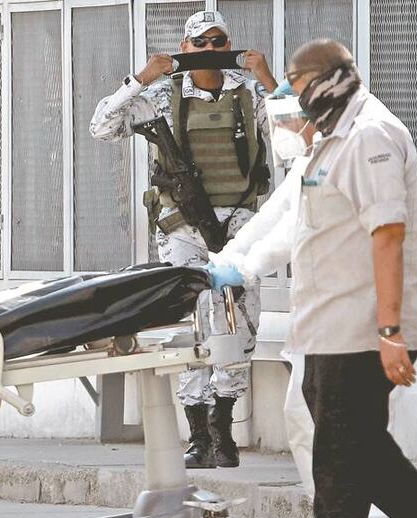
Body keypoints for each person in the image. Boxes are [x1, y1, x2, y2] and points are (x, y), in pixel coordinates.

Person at [268, 39, 417, 518]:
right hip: (328, 328)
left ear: (327, 79)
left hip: (364, 329)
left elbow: (388, 234)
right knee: (354, 450)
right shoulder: (332, 135)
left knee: (340, 453)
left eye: (297, 82)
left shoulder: (370, 135)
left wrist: (390, 330)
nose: (292, 97)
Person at [212, 81, 417, 518]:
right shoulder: (323, 145)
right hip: (327, 316)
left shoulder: (365, 142)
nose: (282, 133)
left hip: (355, 317)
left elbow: (296, 227)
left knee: (344, 432)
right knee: (310, 424)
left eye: (285, 122)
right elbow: (278, 209)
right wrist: (230, 251)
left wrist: (248, 267)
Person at [90, 10, 277, 470]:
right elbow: (102, 126)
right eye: (200, 43)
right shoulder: (161, 94)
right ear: (185, 47)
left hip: (240, 226)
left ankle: (224, 428)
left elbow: (303, 130)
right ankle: (197, 436)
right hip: (182, 227)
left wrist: (267, 77)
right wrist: (139, 77)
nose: (210, 50)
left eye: (219, 41)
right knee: (191, 323)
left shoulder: (249, 92)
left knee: (237, 322)